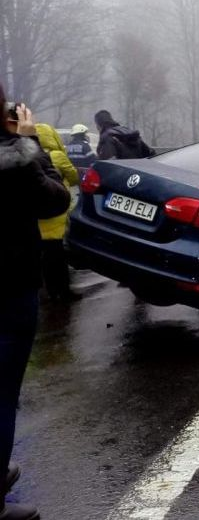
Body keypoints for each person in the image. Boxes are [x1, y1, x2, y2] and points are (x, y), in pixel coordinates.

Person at [0, 84, 69, 520]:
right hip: (7, 287)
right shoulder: (15, 158)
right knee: (3, 393)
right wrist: (30, 143)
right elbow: (54, 200)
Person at [36, 123, 81, 302]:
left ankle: (47, 291)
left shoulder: (28, 157)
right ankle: (63, 291)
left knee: (43, 255)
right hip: (57, 212)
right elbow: (73, 176)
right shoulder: (58, 156)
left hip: (38, 215)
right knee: (58, 255)